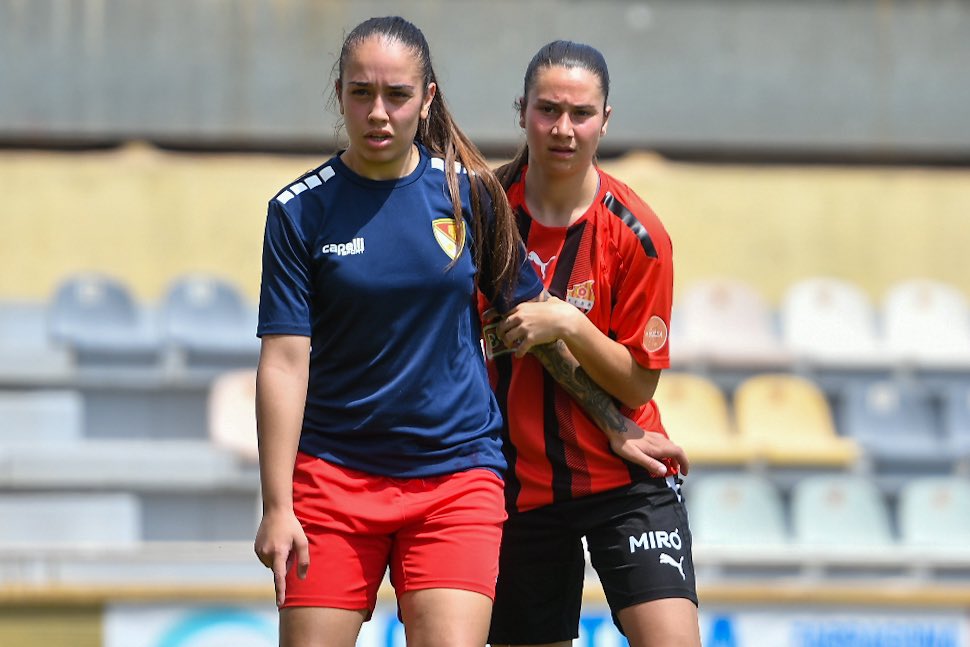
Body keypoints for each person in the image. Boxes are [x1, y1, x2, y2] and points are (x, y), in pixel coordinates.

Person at [253, 18, 687, 647]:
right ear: (339, 93)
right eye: (361, 93)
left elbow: (535, 326)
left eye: (398, 95)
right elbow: (285, 362)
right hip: (339, 480)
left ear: (426, 98)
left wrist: (616, 420)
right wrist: (276, 505)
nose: (379, 113)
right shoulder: (298, 211)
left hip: (458, 477)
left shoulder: (470, 198)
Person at [481, 41, 702, 647]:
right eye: (548, 109)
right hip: (518, 487)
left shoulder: (639, 235)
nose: (563, 128)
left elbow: (637, 383)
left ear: (606, 120)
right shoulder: (482, 215)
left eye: (581, 113)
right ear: (521, 110)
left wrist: (570, 323)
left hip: (625, 475)